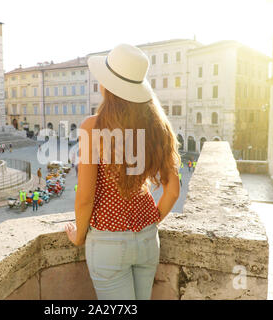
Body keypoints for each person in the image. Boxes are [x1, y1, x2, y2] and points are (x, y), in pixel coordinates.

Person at [64, 44, 180, 300]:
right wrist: (148, 224)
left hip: (107, 243)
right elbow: (173, 190)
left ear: (107, 85)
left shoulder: (93, 127)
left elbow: (85, 196)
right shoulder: (159, 127)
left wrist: (78, 236)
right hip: (148, 240)